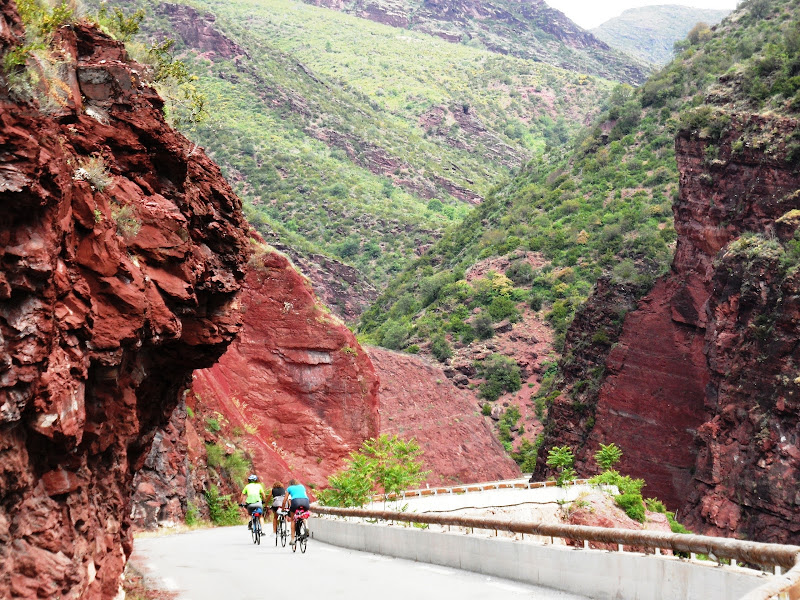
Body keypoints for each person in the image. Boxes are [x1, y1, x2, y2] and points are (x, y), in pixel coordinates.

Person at [281, 478, 310, 546]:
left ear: (290, 484)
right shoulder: (302, 486)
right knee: (303, 516)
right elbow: (305, 495)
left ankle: (292, 539)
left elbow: (285, 500)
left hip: (295, 502)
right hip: (305, 501)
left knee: (293, 520)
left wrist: (283, 509)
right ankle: (306, 527)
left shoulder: (289, 488)